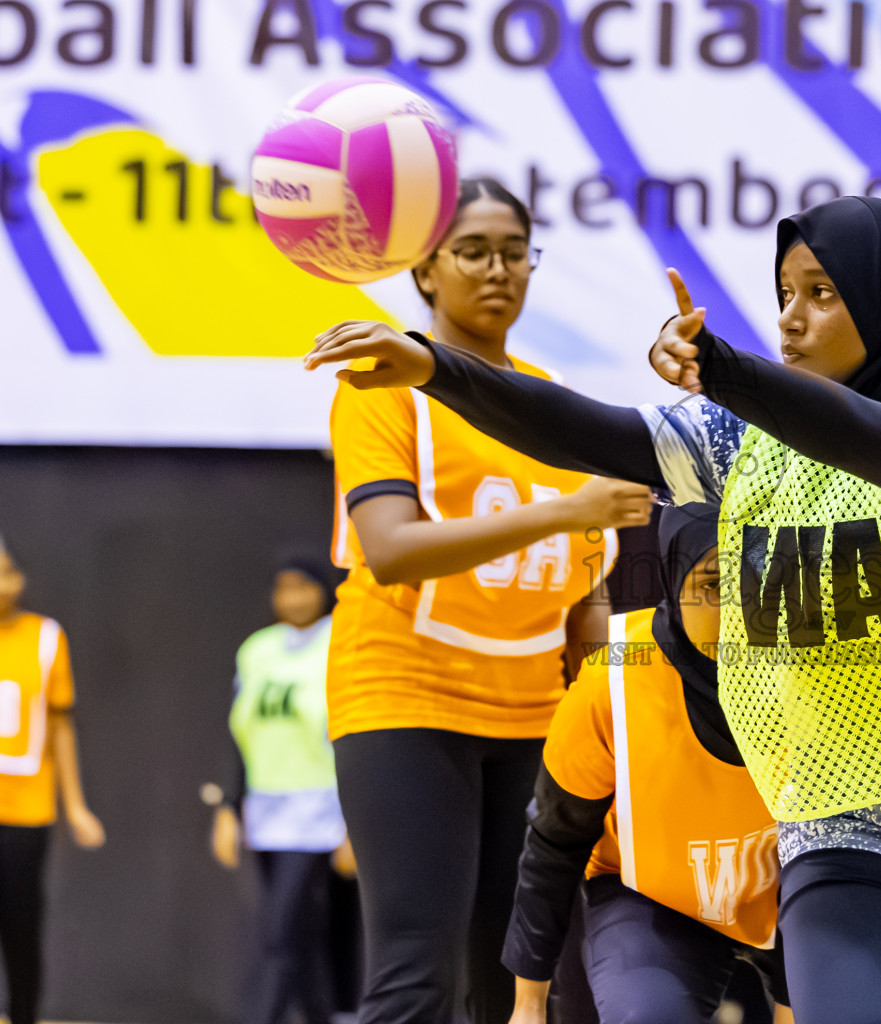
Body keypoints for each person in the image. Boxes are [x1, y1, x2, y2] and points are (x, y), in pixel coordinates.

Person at [303, 195, 881, 1024]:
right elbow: (600, 434)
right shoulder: (747, 442)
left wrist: (731, 374)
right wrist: (436, 369)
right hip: (850, 828)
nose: (790, 320)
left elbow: (879, 446)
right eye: (782, 296)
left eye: (820, 294)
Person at [322, 177, 654, 1024]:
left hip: (534, 715)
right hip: (405, 698)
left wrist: (611, 694)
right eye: (473, 251)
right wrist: (568, 508)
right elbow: (391, 551)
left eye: (515, 250)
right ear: (427, 270)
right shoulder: (385, 384)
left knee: (521, 982)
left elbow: (586, 587)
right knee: (415, 974)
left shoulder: (549, 401)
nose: (499, 269)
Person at [503, 504, 791, 1024]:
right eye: (715, 585)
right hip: (652, 898)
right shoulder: (611, 679)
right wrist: (528, 1005)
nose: (741, 611)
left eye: (757, 582)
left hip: (793, 892)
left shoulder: (823, 673)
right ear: (672, 584)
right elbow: (555, 843)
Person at [0, 532, 105, 1024]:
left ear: (21, 579)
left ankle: (23, 1013)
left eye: (8, 571)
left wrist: (76, 807)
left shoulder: (46, 637)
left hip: (26, 805)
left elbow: (61, 725)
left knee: (19, 923)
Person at [212, 556, 354, 1024]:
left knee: (278, 931)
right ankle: (320, 1016)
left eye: (303, 587)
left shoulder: (343, 639)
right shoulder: (257, 649)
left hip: (319, 807)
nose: (293, 598)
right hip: (266, 805)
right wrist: (230, 806)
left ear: (323, 589)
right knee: (302, 933)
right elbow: (240, 731)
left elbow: (356, 734)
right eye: (284, 588)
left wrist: (355, 819)